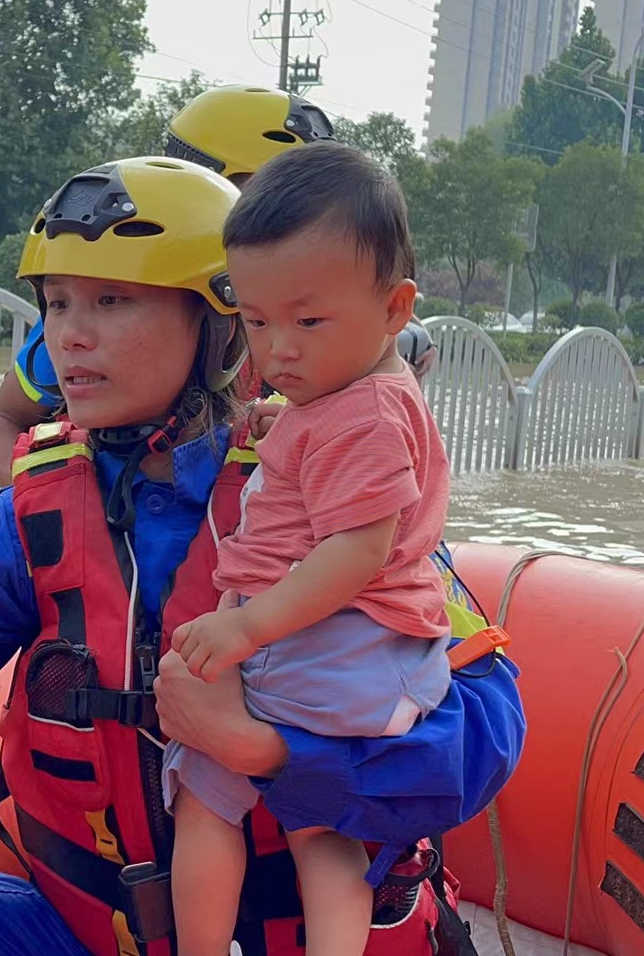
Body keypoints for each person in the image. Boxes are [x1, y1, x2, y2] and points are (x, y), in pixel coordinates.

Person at [0, 156, 525, 956]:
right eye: (60, 302)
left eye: (114, 302)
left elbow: (486, 734)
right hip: (96, 926)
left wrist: (264, 751)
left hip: (297, 929)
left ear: (221, 327)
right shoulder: (36, 514)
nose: (71, 338)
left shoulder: (318, 491)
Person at [164, 142, 453, 954]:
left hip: (327, 642)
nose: (276, 350)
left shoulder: (359, 418)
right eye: (255, 322)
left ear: (396, 308)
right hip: (365, 650)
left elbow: (358, 548)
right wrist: (280, 423)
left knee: (207, 794)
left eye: (307, 321)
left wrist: (244, 628)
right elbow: (330, 457)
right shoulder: (360, 395)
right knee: (319, 827)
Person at [0, 84, 336, 485]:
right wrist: (48, 510)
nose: (301, 230)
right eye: (273, 204)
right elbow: (2, 420)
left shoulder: (327, 321)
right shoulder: (84, 324)